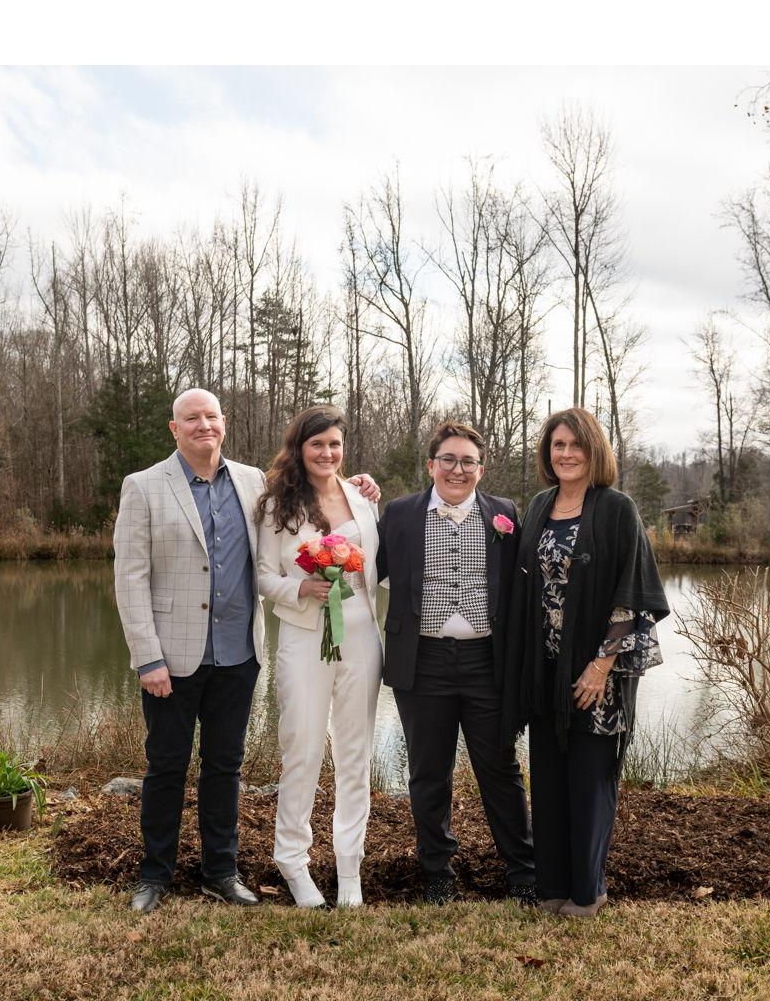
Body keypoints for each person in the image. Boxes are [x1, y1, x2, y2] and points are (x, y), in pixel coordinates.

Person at [113, 388, 379, 914]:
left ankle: (221, 872)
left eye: (211, 416)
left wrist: (365, 484)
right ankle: (155, 876)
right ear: (174, 428)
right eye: (192, 418)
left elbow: (340, 527)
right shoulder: (144, 486)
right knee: (166, 766)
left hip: (239, 652)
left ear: (225, 423)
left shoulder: (251, 481)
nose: (203, 425)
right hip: (174, 654)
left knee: (225, 766)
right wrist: (148, 657)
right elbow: (130, 578)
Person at [506, 408, 669, 918]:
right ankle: (552, 886)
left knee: (590, 782)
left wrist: (602, 665)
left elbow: (632, 593)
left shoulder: (616, 509)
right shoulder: (539, 506)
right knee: (549, 781)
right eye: (558, 445)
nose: (566, 454)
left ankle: (587, 892)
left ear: (594, 450)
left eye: (576, 445)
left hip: (598, 673)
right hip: (546, 673)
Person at [376, 420, 537, 904]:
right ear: (432, 465)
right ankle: (437, 873)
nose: (458, 469)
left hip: (487, 662)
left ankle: (524, 873)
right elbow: (367, 569)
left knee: (501, 769)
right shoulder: (400, 514)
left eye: (468, 462)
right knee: (428, 773)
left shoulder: (504, 513)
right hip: (421, 661)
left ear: (481, 470)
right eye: (448, 459)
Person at [255, 407, 383, 909]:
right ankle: (293, 860)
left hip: (361, 636)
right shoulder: (277, 505)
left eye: (334, 444)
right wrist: (300, 588)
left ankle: (349, 864)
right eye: (317, 444)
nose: (327, 453)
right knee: (303, 749)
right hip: (305, 637)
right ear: (299, 448)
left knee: (355, 754)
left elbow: (378, 566)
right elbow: (263, 576)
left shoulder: (362, 497)